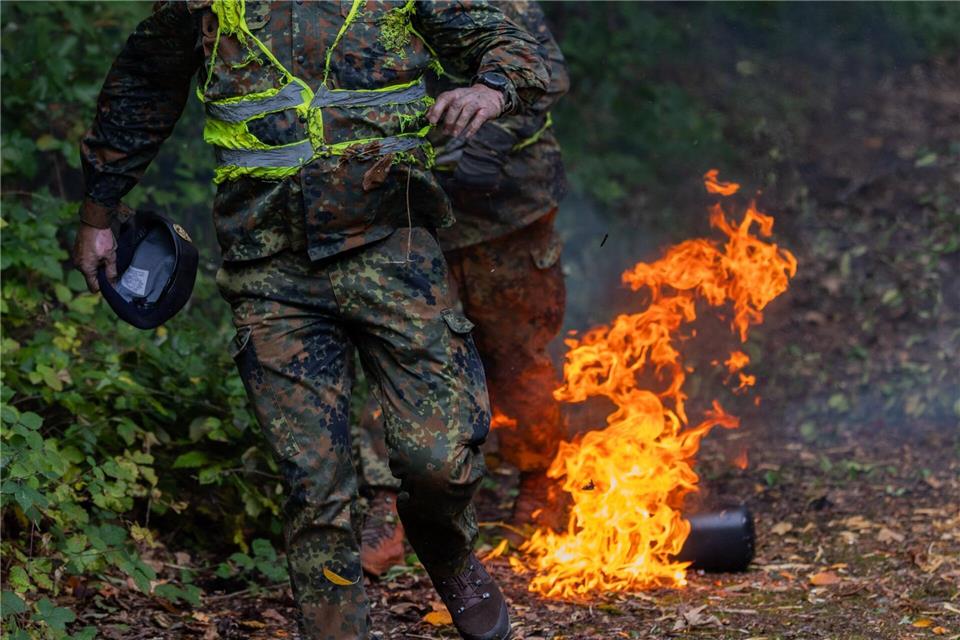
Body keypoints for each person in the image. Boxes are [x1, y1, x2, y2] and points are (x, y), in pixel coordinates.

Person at [71, 2, 548, 639]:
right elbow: (142, 84)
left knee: (438, 459)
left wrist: (491, 88)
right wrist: (97, 215)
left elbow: (512, 45)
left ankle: (451, 555)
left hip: (393, 248)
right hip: (269, 269)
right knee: (313, 485)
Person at [356, 0, 569, 577]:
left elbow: (544, 75)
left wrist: (489, 146)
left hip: (508, 210)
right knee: (395, 352)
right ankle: (390, 508)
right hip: (405, 210)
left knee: (514, 352)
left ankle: (538, 483)